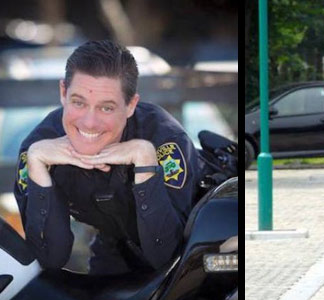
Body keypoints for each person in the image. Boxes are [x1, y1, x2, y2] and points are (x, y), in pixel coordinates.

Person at [14, 40, 200, 275]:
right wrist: (38, 168)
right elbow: (51, 257)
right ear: (63, 93)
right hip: (114, 248)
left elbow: (167, 256)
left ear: (131, 105)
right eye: (79, 102)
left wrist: (144, 161)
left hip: (192, 255)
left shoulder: (164, 140)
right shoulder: (39, 148)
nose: (89, 122)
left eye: (106, 108)